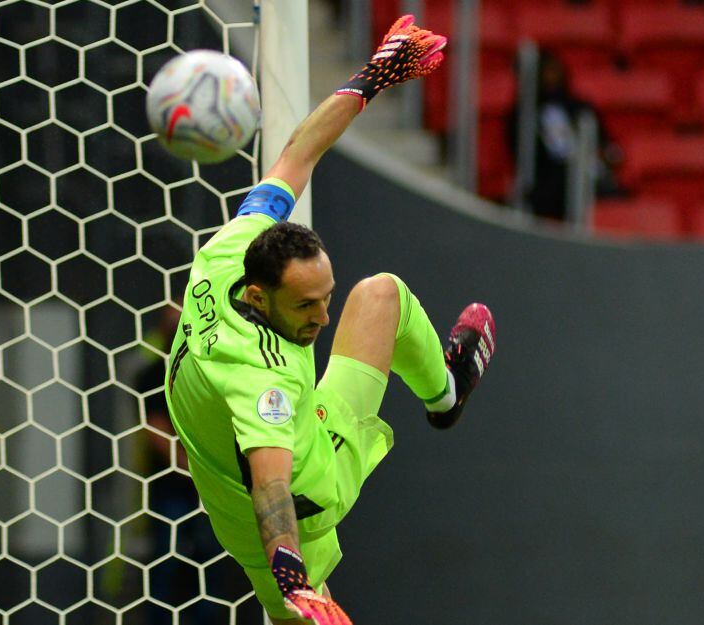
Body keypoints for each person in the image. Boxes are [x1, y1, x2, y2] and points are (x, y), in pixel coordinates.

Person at [163, 16, 497, 625]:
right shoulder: (260, 381)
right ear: (260, 300)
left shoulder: (233, 247)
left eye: (324, 297)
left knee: (379, 297)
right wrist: (292, 574)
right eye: (306, 307)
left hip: (263, 453)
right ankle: (296, 587)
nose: (323, 317)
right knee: (300, 608)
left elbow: (300, 151)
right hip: (304, 497)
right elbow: (273, 488)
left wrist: (375, 75)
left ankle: (445, 395)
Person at [507, 50, 622, 221]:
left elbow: (609, 148)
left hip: (590, 177)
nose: (552, 77)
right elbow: (522, 156)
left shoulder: (581, 108)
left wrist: (606, 155)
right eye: (547, 72)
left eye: (555, 71)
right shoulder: (523, 115)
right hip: (550, 184)